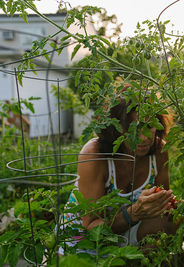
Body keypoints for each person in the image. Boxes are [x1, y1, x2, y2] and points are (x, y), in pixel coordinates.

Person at [61, 84, 176, 252]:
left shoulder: (158, 151)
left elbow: (163, 207)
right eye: (133, 128)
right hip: (82, 241)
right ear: (117, 127)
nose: (143, 138)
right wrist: (135, 212)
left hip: (126, 234)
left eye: (149, 126)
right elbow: (92, 229)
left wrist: (167, 206)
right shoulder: (94, 155)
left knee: (170, 221)